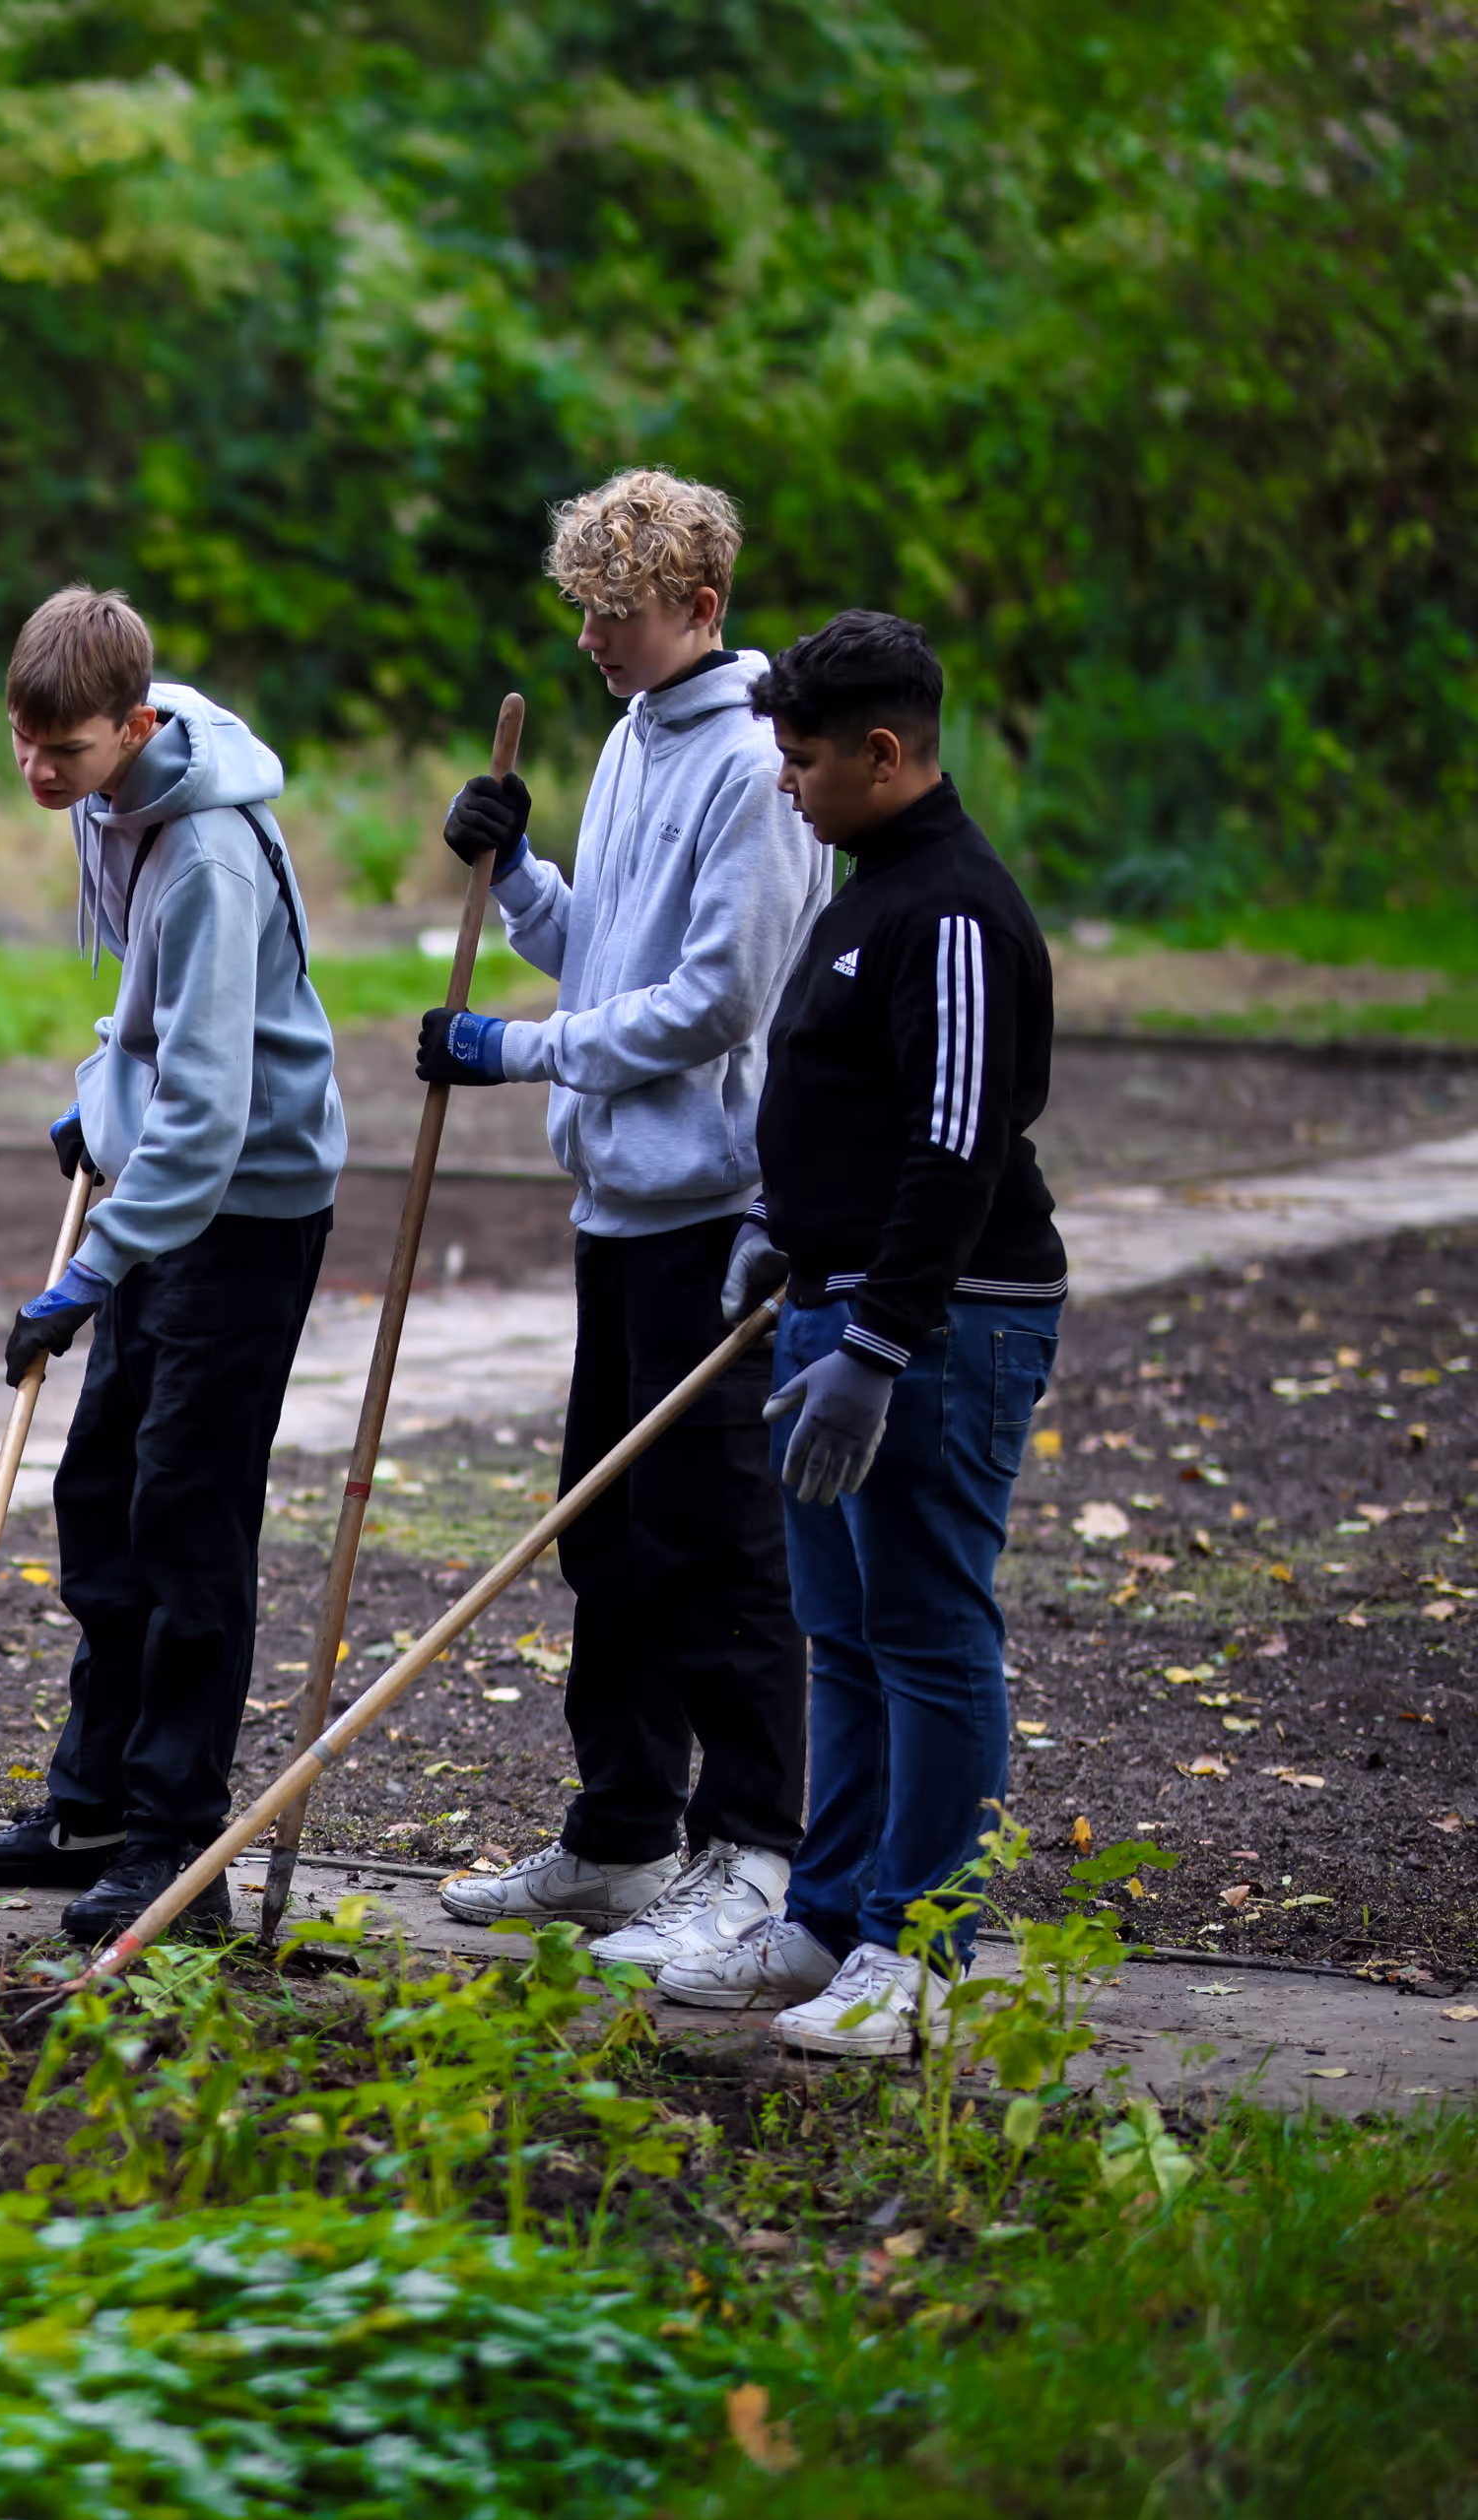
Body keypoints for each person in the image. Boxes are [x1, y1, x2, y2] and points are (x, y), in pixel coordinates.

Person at [414, 470, 832, 1975]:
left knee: (717, 1541)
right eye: (582, 610)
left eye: (618, 612)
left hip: (716, 1205)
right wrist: (520, 879)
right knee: (611, 1528)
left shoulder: (756, 770)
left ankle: (756, 1853)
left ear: (700, 609)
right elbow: (610, 952)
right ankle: (622, 1837)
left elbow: (720, 996)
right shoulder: (636, 736)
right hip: (618, 1198)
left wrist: (511, 1051)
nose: (592, 636)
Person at [656, 611, 1064, 2057]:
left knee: (929, 1633)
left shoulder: (949, 908)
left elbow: (955, 1149)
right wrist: (784, 1222)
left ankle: (921, 1948)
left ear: (885, 754)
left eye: (807, 757)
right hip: (836, 1308)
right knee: (843, 1632)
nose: (786, 782)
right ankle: (828, 1919)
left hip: (944, 1328)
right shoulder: (869, 879)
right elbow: (848, 1106)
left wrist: (878, 1346)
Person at [0, 586, 345, 1948]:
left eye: (69, 752)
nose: (44, 776)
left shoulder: (212, 857)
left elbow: (215, 1110)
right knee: (100, 1492)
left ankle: (180, 1849)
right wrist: (100, 1096)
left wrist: (89, 1273)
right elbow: (152, 1012)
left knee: (187, 1523)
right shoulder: (108, 806)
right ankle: (95, 1807)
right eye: (23, 745)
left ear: (139, 725)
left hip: (244, 1205)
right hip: (166, 1182)